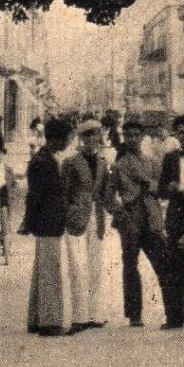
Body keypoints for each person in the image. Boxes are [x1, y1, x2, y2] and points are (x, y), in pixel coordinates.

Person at [95, 117, 175, 328]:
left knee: (164, 263)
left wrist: (153, 186)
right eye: (128, 135)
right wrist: (119, 213)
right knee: (130, 267)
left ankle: (173, 312)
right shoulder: (119, 166)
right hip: (131, 219)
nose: (131, 139)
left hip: (152, 217)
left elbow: (164, 189)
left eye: (135, 135)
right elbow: (107, 196)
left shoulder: (152, 163)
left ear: (141, 137)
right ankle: (134, 314)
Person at [20, 117, 74, 336]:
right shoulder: (46, 162)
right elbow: (35, 196)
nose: (70, 142)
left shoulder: (43, 158)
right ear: (57, 139)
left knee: (42, 270)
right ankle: (50, 322)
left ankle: (35, 319)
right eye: (68, 138)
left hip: (45, 221)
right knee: (51, 272)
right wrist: (28, 220)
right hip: (48, 221)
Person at [62, 120, 111, 332]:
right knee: (77, 266)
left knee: (96, 265)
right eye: (88, 135)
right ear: (81, 139)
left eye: (95, 135)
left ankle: (94, 314)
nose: (92, 139)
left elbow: (105, 193)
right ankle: (79, 317)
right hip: (76, 218)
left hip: (97, 217)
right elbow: (63, 193)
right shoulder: (70, 163)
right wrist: (69, 211)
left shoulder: (103, 163)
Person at [156, 115, 184, 330]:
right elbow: (162, 189)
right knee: (174, 268)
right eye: (181, 132)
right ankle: (175, 316)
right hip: (176, 215)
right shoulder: (170, 157)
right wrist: (169, 188)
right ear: (175, 134)